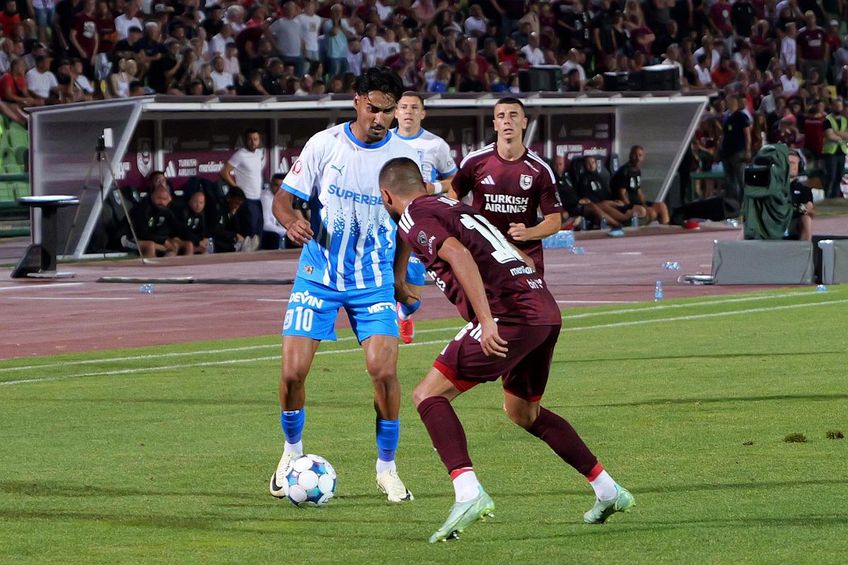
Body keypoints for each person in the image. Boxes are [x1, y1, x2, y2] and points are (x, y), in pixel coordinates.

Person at [379, 157, 635, 543]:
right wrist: (400, 280)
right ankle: (608, 490)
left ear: (386, 196)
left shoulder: (415, 217)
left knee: (427, 395)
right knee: (523, 411)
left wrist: (486, 320)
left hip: (507, 313)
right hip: (542, 307)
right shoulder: (449, 206)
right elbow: (508, 252)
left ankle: (468, 493)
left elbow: (458, 255)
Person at [269, 67, 420, 504]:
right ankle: (290, 453)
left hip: (371, 282)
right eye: (373, 108)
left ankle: (387, 469)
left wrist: (399, 280)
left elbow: (408, 225)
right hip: (318, 275)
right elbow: (283, 199)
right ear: (357, 101)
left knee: (384, 371)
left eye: (388, 112)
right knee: (292, 373)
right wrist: (291, 220)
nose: (380, 118)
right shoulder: (324, 145)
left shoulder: (401, 162)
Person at [449, 97, 561, 277]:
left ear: (524, 122)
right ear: (495, 124)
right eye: (501, 116)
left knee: (534, 305)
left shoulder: (540, 169)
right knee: (486, 304)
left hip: (525, 255)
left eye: (513, 115)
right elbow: (453, 197)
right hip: (484, 253)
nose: (507, 121)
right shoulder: (475, 161)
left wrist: (529, 233)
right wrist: (464, 231)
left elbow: (554, 221)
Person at [392, 91, 458, 344]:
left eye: (413, 107)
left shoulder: (435, 144)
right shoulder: (383, 141)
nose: (408, 111)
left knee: (413, 299)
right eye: (403, 107)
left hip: (419, 220)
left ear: (422, 113)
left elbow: (455, 180)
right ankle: (380, 326)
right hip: (387, 221)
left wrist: (436, 190)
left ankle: (405, 312)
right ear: (395, 112)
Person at [221, 128, 265, 249]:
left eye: (255, 139)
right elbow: (225, 172)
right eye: (250, 139)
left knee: (258, 233)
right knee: (249, 235)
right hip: (247, 199)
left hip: (258, 198)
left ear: (259, 140)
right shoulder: (240, 155)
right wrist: (236, 189)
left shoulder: (260, 153)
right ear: (245, 140)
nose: (252, 142)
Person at [129, 172, 189, 258]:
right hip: (130, 238)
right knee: (151, 245)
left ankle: (170, 270)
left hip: (154, 239)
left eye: (164, 199)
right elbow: (143, 233)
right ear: (152, 195)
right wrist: (163, 241)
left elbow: (179, 229)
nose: (162, 202)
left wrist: (173, 239)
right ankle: (150, 271)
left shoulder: (165, 209)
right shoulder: (143, 207)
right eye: (159, 198)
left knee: (175, 245)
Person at [611, 145, 670, 225]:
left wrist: (644, 204)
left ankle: (665, 232)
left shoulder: (637, 171)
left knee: (661, 206)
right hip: (628, 205)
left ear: (643, 157)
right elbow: (622, 194)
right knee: (652, 213)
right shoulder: (624, 171)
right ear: (630, 155)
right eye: (635, 155)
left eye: (640, 155)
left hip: (638, 202)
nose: (638, 158)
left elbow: (638, 191)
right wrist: (630, 207)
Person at [719, 94, 752, 203]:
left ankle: (744, 203)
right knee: (729, 180)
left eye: (729, 101)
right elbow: (724, 136)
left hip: (738, 152)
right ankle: (732, 203)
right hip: (727, 153)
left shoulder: (741, 116)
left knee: (741, 179)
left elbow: (747, 135)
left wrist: (748, 150)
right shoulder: (728, 117)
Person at [822, 97, 848, 199]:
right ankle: (826, 197)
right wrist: (842, 138)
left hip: (841, 152)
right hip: (830, 152)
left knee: (838, 177)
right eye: (836, 106)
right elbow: (829, 136)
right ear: (832, 106)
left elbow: (836, 134)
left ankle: (835, 198)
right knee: (830, 177)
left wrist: (836, 133)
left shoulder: (845, 120)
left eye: (839, 106)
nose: (838, 108)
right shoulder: (827, 119)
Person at [788, 150, 815, 241]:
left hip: (792, 222)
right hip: (771, 221)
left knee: (806, 218)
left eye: (794, 163)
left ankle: (804, 251)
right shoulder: (771, 188)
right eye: (789, 163)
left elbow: (808, 209)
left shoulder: (805, 190)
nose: (792, 166)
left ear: (800, 167)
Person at [260, 173, 289, 249]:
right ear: (271, 185)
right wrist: (287, 232)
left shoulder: (282, 197)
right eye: (276, 185)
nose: (279, 189)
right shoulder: (266, 198)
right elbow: (266, 225)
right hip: (265, 233)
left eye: (281, 186)